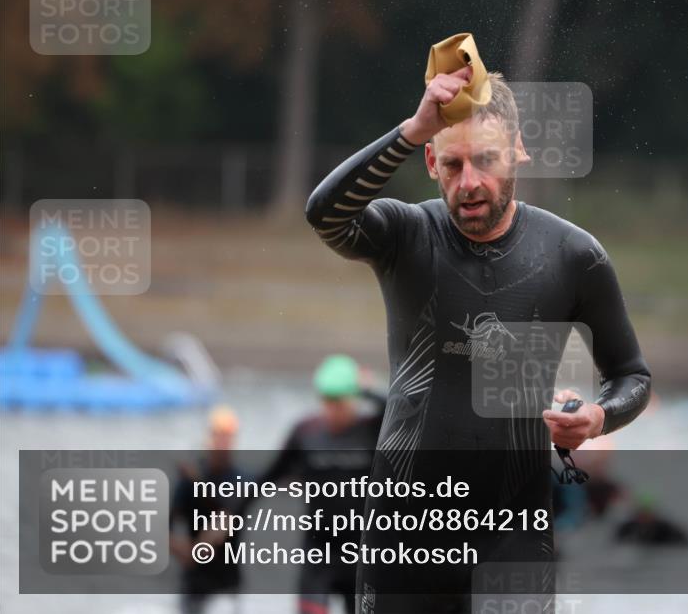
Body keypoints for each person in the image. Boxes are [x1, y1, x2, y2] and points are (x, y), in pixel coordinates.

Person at [305, 61, 651, 613]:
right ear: (430, 162)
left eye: (486, 160)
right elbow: (325, 214)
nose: (469, 183)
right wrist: (410, 129)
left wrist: (598, 418)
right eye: (452, 163)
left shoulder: (572, 255)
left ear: (517, 149)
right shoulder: (406, 235)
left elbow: (630, 374)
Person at [256, 355, 386, 614]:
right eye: (327, 401)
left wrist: (369, 390)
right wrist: (228, 516)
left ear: (354, 398)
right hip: (318, 553)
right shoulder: (306, 433)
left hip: (361, 555)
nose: (332, 410)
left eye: (339, 402)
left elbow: (406, 410)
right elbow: (265, 479)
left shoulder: (374, 430)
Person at [169, 406, 246, 614]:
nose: (223, 442)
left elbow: (226, 517)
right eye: (218, 435)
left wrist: (197, 482)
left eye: (227, 436)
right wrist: (183, 552)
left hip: (226, 582)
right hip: (194, 583)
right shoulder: (187, 482)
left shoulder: (239, 480)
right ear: (209, 436)